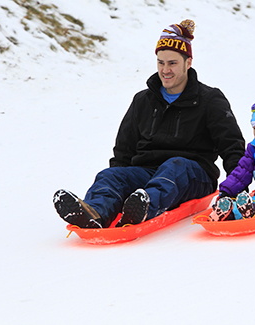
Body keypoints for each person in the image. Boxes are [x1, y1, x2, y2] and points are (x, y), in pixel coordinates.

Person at [53, 19, 245, 228]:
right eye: (161, 63)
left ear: (188, 63)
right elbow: (124, 150)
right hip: (147, 172)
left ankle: (143, 207)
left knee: (175, 166)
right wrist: (120, 182)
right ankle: (95, 212)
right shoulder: (143, 101)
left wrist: (238, 188)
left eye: (172, 63)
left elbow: (232, 145)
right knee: (110, 175)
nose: (165, 70)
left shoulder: (210, 99)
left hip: (194, 174)